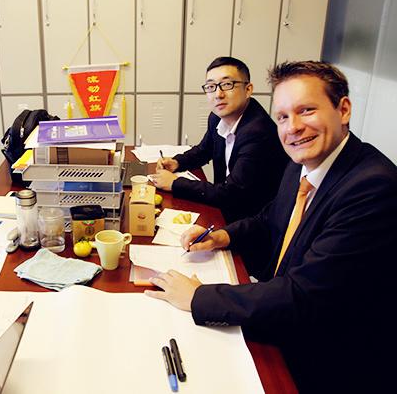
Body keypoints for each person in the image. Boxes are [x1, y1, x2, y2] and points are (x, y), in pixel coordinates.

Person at [145, 61, 397, 393]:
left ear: (343, 109)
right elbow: (270, 217)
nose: (294, 127)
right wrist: (222, 235)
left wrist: (198, 297)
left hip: (329, 356)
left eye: (306, 110)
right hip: (285, 311)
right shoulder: (302, 162)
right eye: (283, 117)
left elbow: (303, 294)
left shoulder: (372, 187)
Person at [152, 56, 288, 225]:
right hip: (227, 209)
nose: (218, 94)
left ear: (248, 89)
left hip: (251, 222)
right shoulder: (217, 117)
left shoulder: (258, 132)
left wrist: (175, 183)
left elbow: (232, 193)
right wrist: (177, 162)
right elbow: (204, 150)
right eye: (211, 87)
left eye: (227, 84)